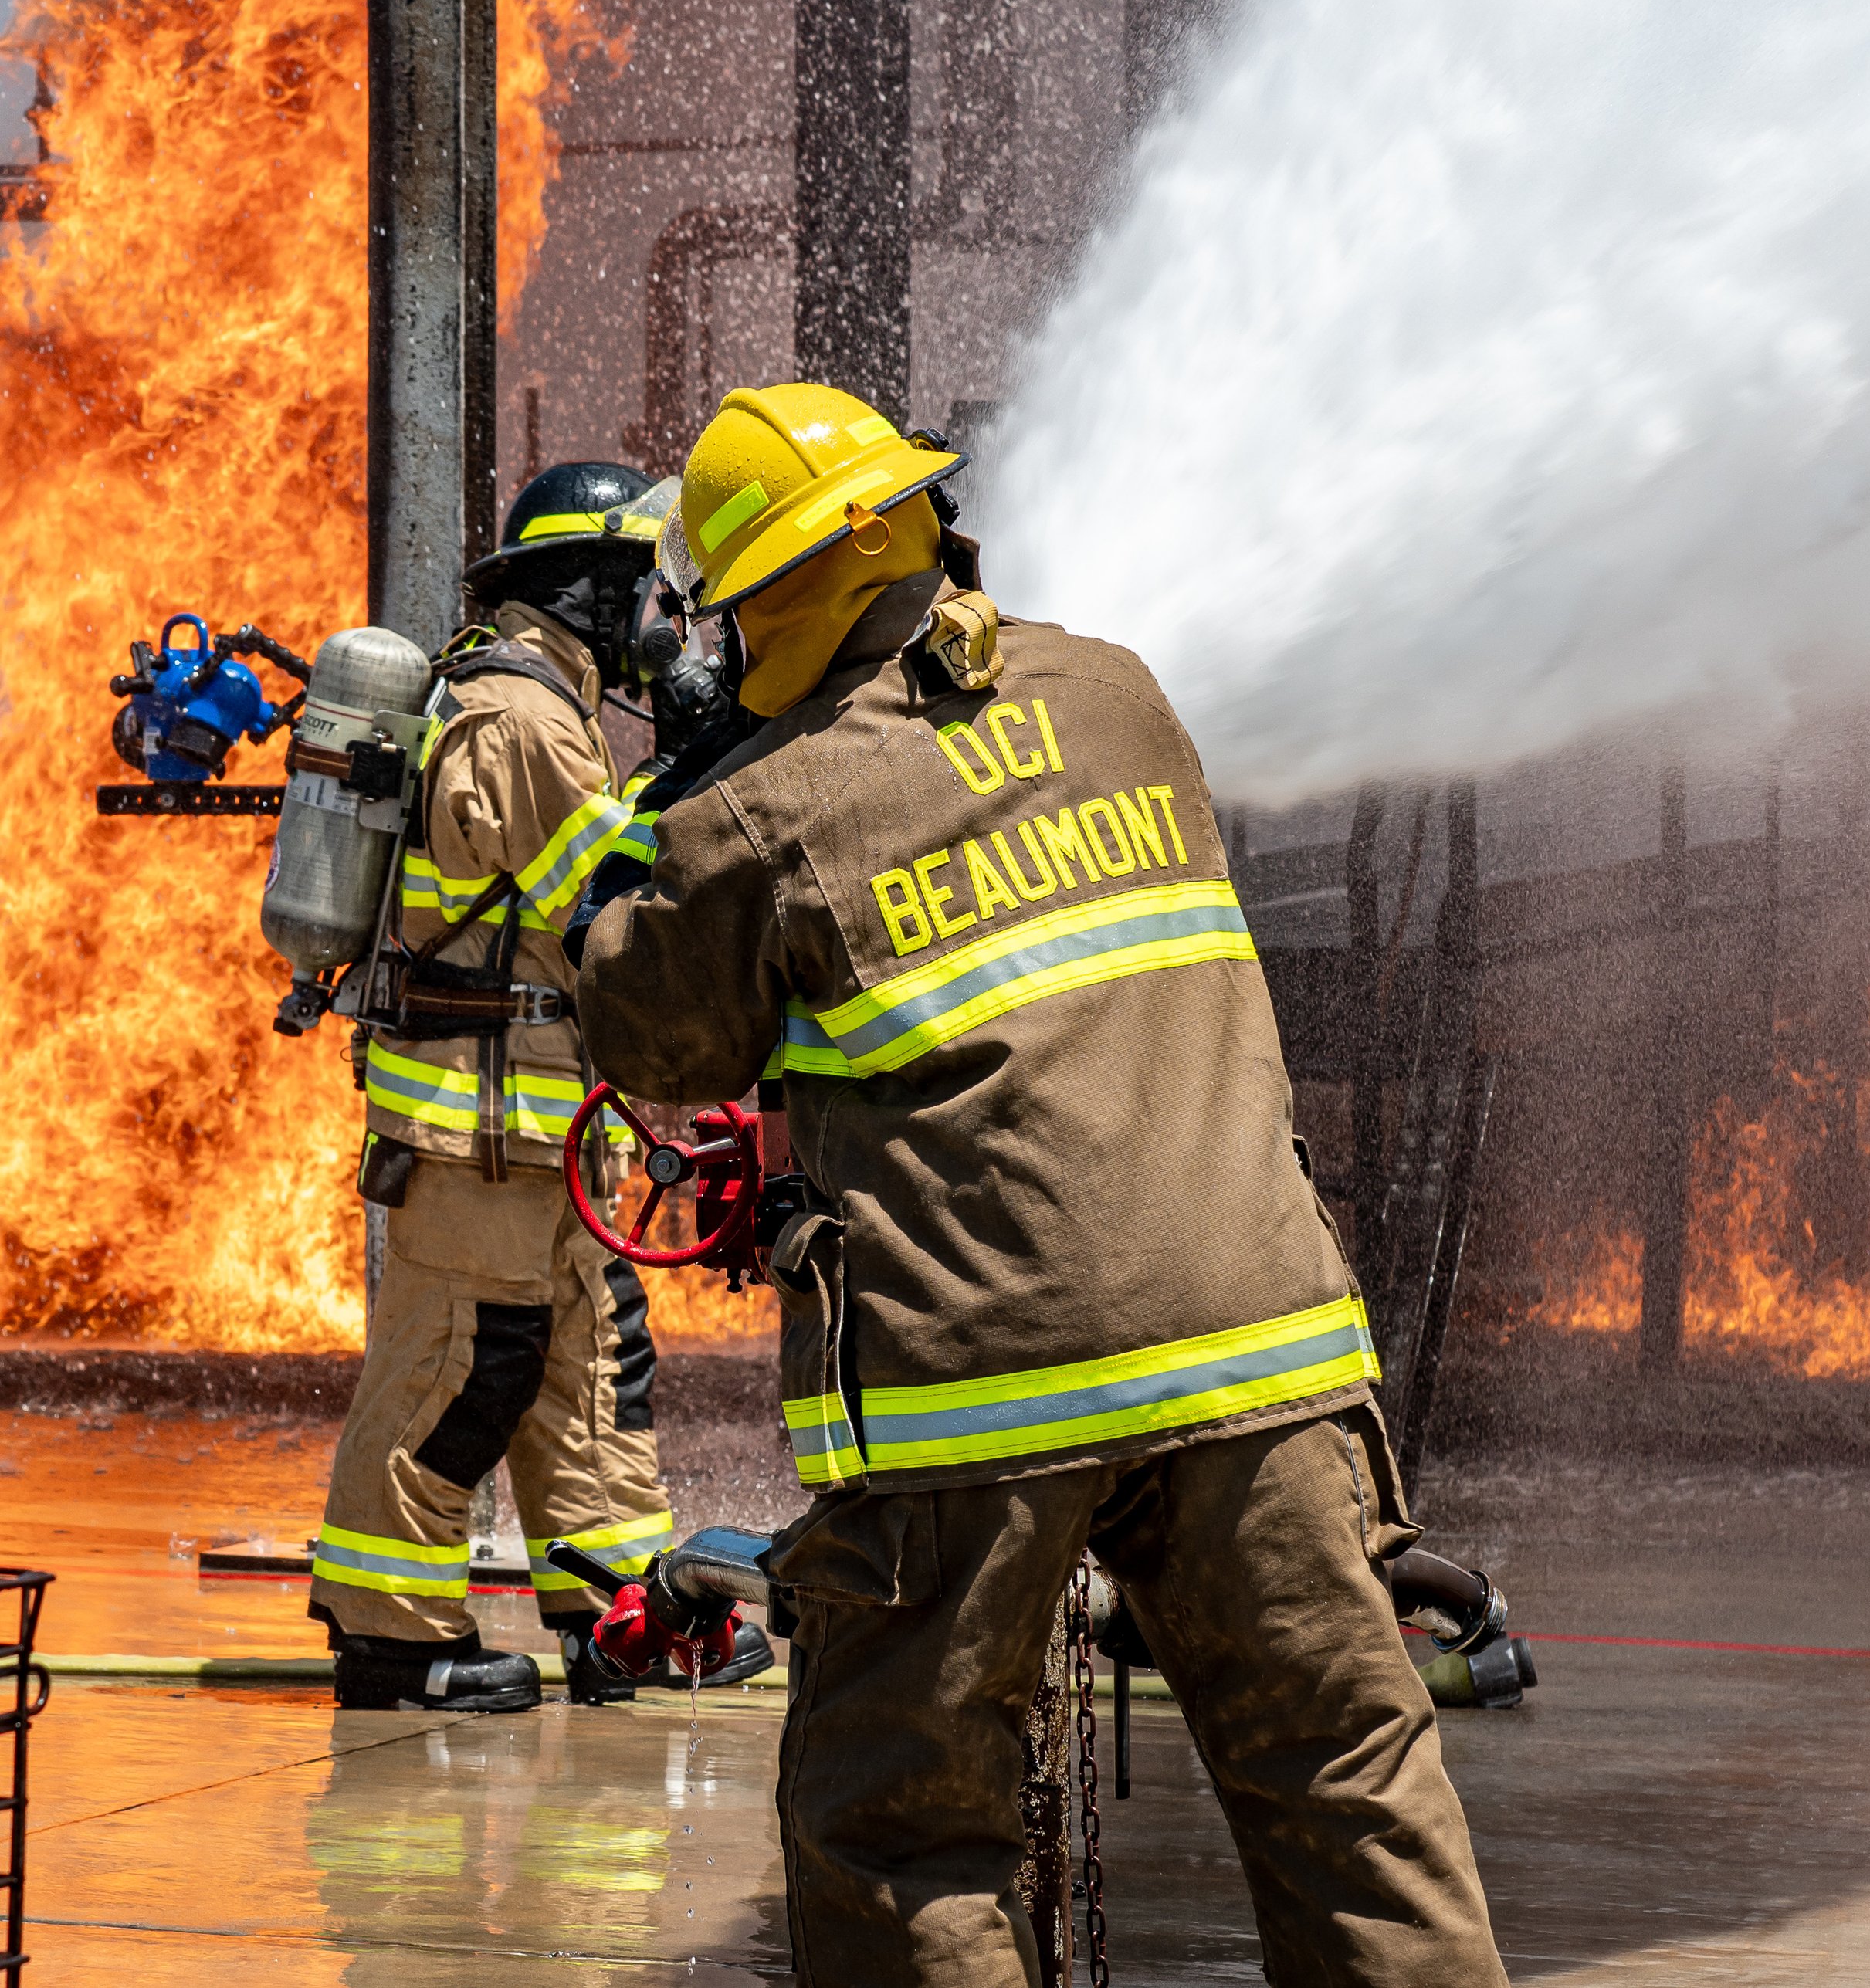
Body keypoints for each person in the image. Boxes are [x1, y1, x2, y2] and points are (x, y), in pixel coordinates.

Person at [571, 384, 1509, 1986]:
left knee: (896, 1836)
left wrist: (637, 842)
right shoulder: (1126, 694)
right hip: (1259, 1358)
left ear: (774, 599)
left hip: (974, 1403)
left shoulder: (758, 812)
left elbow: (649, 1034)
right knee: (1348, 1793)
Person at [310, 459, 771, 1713]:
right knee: (461, 1369)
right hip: (479, 1135)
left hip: (540, 1131)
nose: (662, 622)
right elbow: (608, 905)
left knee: (586, 1357)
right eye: (646, 591)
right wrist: (698, 763)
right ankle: (389, 1638)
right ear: (591, 586)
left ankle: (620, 1613)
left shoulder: (543, 707)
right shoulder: (520, 716)